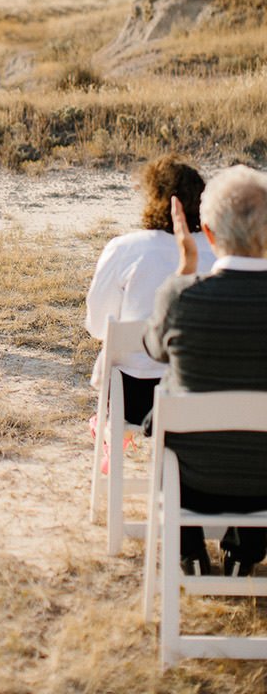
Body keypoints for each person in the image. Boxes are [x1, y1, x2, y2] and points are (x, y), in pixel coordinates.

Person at [145, 165, 267, 577]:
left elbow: (153, 348)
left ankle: (190, 549)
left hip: (192, 488)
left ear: (208, 234)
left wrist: (186, 265)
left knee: (170, 392)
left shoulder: (181, 297)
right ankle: (246, 552)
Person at [84, 157, 214, 431]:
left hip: (134, 399)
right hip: (202, 396)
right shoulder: (222, 253)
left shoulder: (125, 249)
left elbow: (97, 327)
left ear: (153, 198)